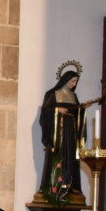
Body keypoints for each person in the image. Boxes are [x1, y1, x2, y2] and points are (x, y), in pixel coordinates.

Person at [38, 70, 91, 201]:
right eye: (72, 81)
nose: (74, 84)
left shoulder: (73, 96)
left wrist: (82, 108)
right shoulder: (52, 94)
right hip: (58, 134)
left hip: (70, 134)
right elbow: (45, 113)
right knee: (58, 157)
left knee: (71, 158)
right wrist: (56, 110)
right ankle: (55, 187)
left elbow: (76, 113)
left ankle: (71, 188)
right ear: (66, 80)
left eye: (76, 82)